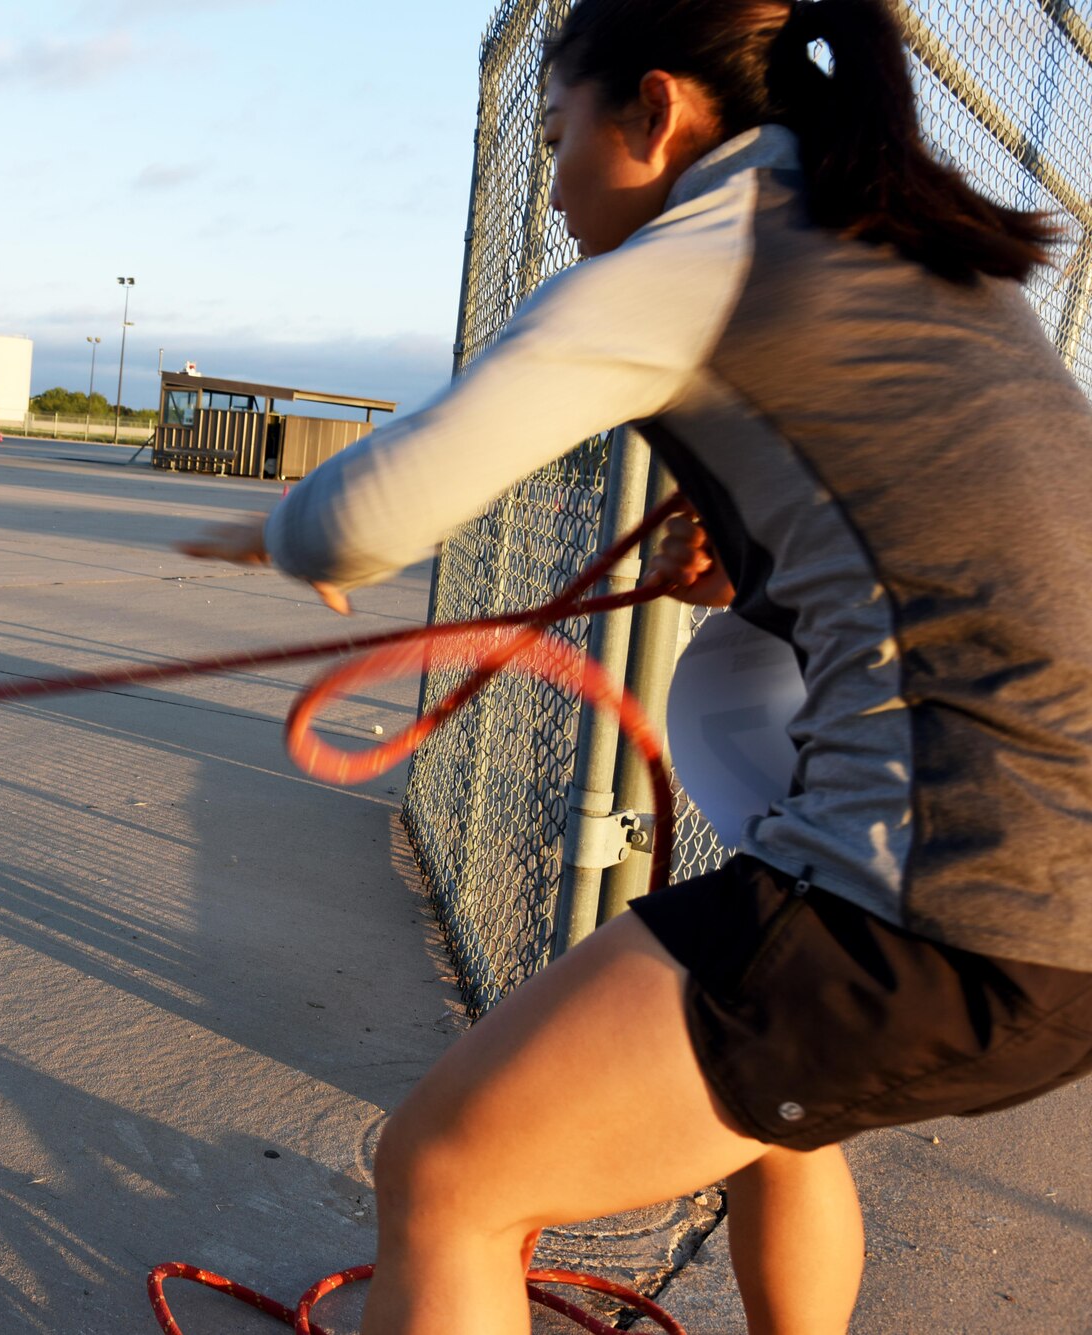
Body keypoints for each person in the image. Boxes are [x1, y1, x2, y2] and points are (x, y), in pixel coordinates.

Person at [179, 2, 1092, 1331]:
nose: (551, 195)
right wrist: (766, 553)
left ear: (655, 116)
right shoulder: (918, 250)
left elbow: (358, 520)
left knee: (445, 1175)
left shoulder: (701, 250)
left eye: (559, 138)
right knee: (774, 1113)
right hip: (1049, 913)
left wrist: (272, 527)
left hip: (946, 905)